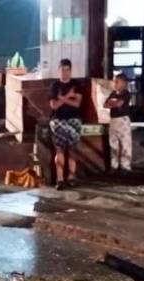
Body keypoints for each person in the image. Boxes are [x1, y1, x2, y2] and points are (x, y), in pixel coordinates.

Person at [48, 59, 84, 189]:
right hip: (58, 120)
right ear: (59, 70)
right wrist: (68, 96)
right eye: (63, 70)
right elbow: (54, 106)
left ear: (71, 70)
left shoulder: (76, 85)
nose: (65, 72)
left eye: (67, 70)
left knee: (73, 148)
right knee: (59, 148)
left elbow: (77, 104)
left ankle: (71, 177)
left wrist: (62, 98)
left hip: (74, 119)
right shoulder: (54, 86)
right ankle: (60, 179)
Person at [104, 73, 133, 172]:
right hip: (113, 119)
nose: (115, 83)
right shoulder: (113, 93)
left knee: (125, 143)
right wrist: (114, 103)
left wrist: (112, 103)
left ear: (124, 83)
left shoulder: (126, 93)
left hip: (123, 119)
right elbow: (105, 105)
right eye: (114, 81)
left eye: (117, 81)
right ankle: (114, 165)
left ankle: (125, 166)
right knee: (113, 143)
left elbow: (119, 104)